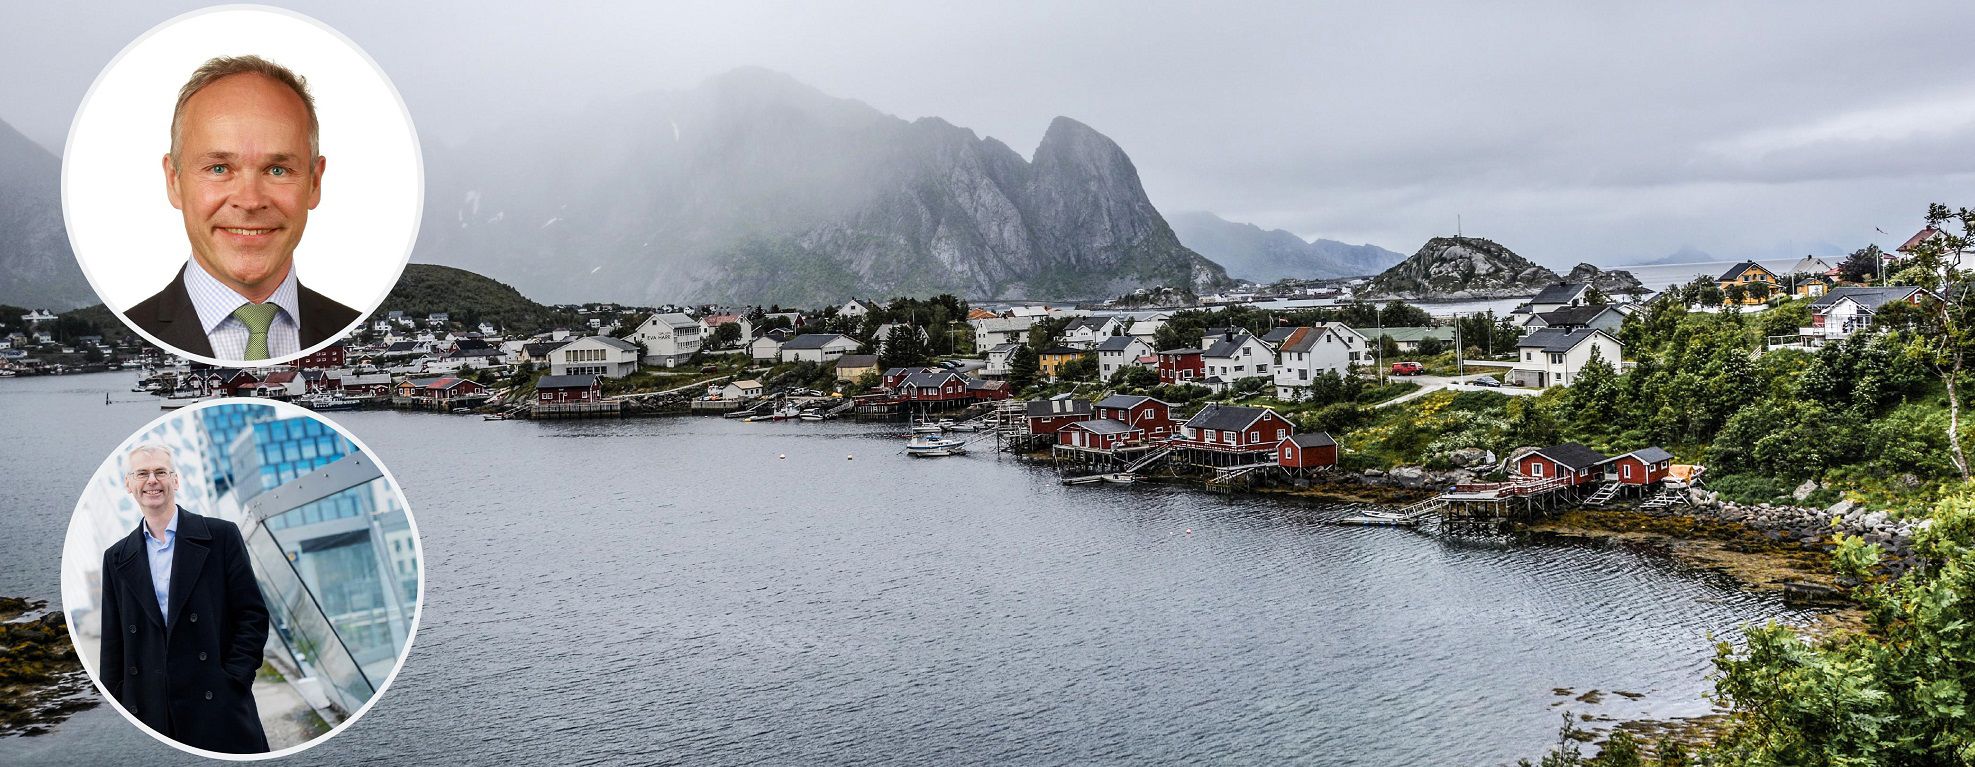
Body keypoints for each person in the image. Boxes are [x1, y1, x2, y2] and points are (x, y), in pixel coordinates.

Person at [124, 55, 357, 362]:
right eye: (219, 168)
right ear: (174, 180)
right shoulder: (130, 331)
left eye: (277, 170)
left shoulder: (350, 325)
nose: (249, 202)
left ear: (314, 183)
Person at [99, 443, 271, 753]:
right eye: (142, 473)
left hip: (217, 704)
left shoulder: (221, 536)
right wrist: (120, 707)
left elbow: (252, 616)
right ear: (129, 485)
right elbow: (113, 645)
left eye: (161, 472)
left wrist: (234, 679)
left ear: (175, 481)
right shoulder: (115, 558)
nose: (152, 480)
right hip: (150, 712)